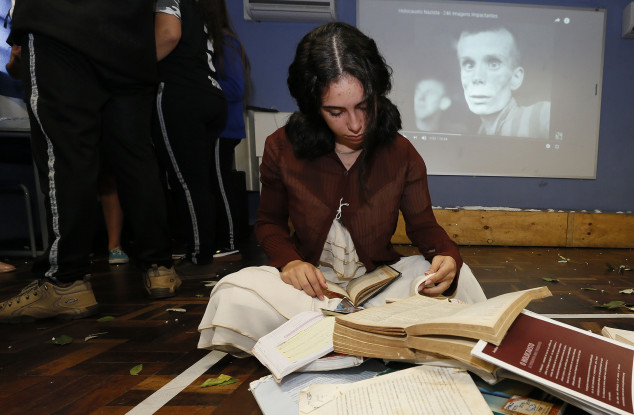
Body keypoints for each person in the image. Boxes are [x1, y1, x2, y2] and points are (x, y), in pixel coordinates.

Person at [198, 22, 487, 355]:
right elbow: (269, 224)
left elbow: (424, 228)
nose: (355, 124)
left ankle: (324, 339)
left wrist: (447, 258)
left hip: (380, 284)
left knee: (458, 279)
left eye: (364, 106)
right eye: (336, 112)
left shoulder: (401, 152)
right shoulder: (282, 147)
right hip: (310, 290)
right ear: (311, 107)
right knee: (232, 294)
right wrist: (291, 263)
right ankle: (374, 334)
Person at [0, 0, 180, 324]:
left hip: (61, 26)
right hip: (129, 34)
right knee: (135, 154)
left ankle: (65, 281)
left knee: (65, 151)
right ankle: (160, 268)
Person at [154, 0, 227, 265]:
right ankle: (201, 250)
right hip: (210, 92)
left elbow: (168, 34)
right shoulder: (200, 7)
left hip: (180, 92)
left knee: (186, 183)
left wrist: (131, 67)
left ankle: (198, 256)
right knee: (199, 183)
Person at [455, 25, 550, 139]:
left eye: (493, 64)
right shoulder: (480, 133)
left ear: (516, 77)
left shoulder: (541, 115)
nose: (477, 77)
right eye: (469, 65)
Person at [209, 0, 251, 254]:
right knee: (215, 184)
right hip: (216, 127)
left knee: (221, 183)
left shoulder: (226, 41)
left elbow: (236, 88)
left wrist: (201, 85)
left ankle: (231, 242)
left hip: (223, 127)